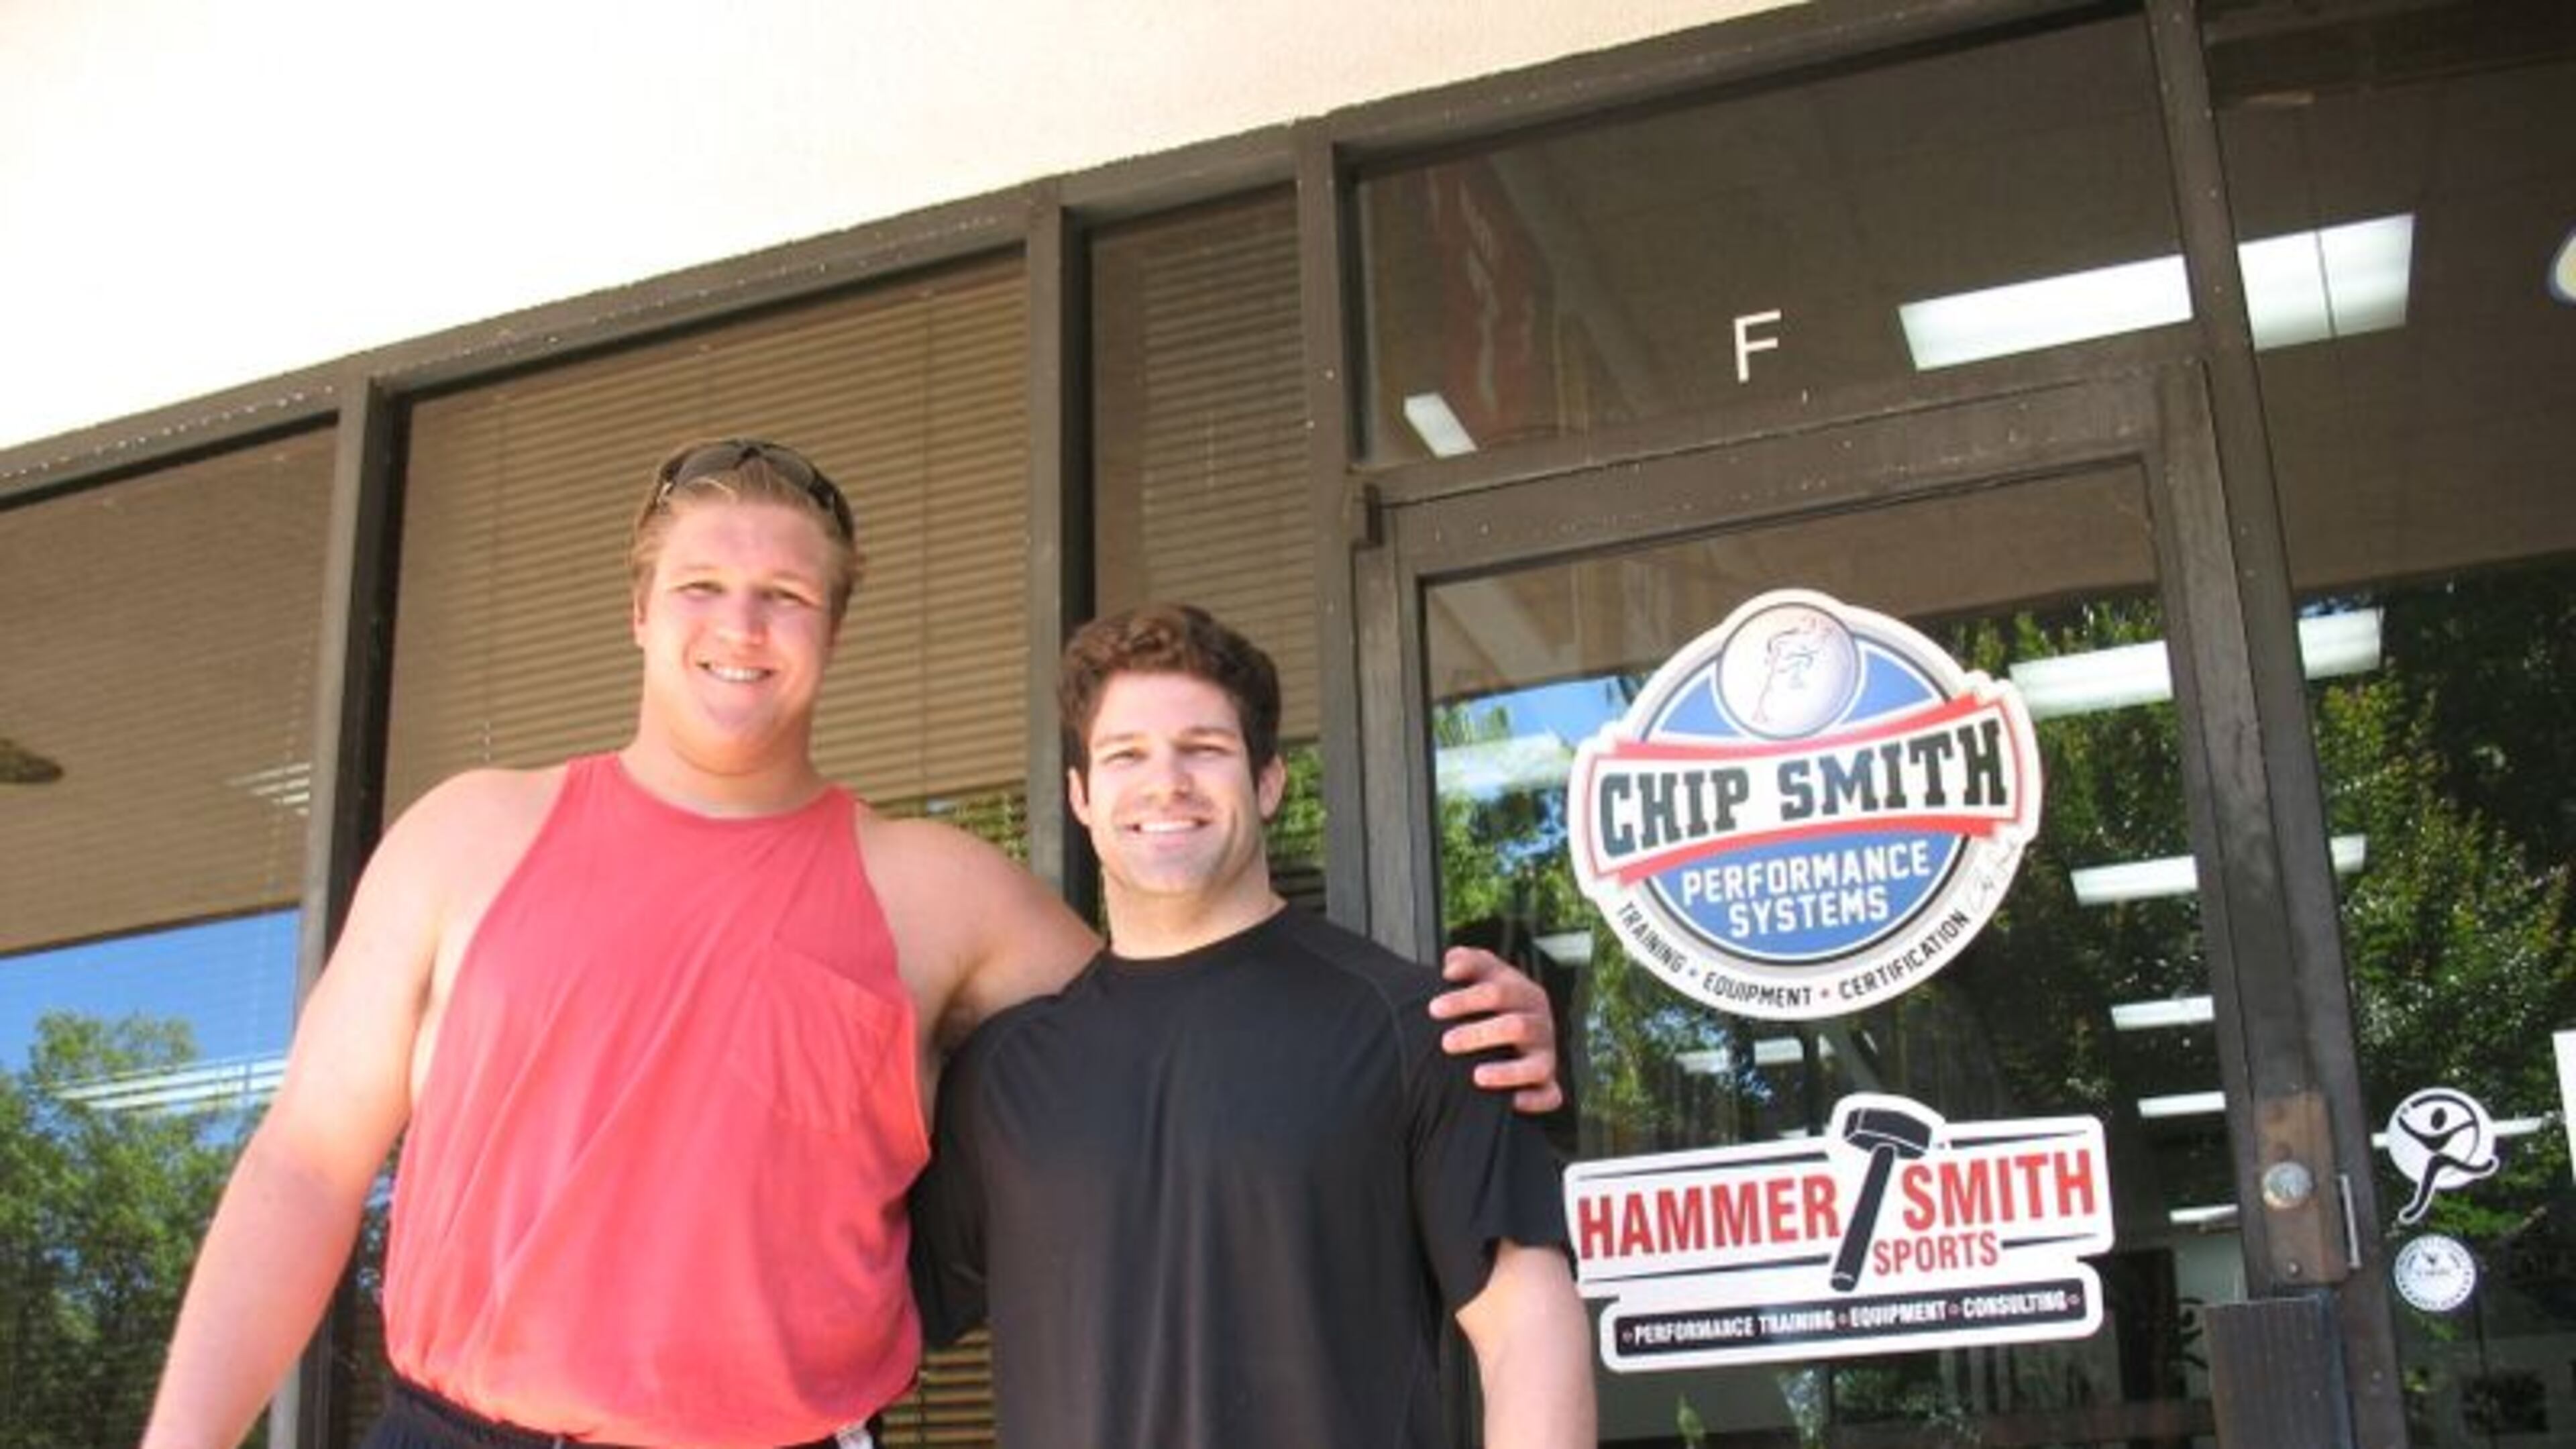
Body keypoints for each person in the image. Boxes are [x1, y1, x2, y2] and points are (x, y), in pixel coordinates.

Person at [140, 440, 1560, 1449]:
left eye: (787, 596)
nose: (740, 626)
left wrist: (1480, 1030)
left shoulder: (943, 895)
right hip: (465, 1432)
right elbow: (308, 1166)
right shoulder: (470, 834)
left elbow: (1205, 1011)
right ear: (640, 613)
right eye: (702, 587)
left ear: (832, 634)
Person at [907, 602, 1595, 1448]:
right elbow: (866, 1313)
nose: (1166, 784)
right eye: (1127, 756)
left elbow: (1527, 1330)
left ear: (1269, 782)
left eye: (1204, 749)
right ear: (1081, 797)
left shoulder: (1420, 1028)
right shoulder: (1001, 1077)